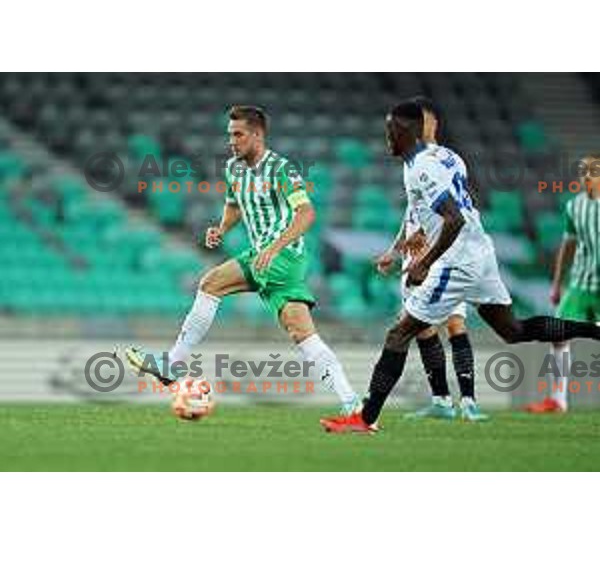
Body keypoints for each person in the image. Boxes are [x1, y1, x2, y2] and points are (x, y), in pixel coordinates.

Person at [320, 100, 600, 433]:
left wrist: (424, 262)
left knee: (399, 333)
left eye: (391, 130)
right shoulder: (448, 156)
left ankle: (365, 419)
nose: (387, 137)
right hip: (480, 251)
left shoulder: (421, 166)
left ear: (408, 131)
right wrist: (402, 246)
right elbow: (439, 211)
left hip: (457, 259)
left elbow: (452, 219)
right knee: (512, 330)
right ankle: (594, 330)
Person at [126, 105, 360, 414]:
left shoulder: (281, 168)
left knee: (211, 283)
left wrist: (274, 248)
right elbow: (235, 205)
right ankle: (352, 403)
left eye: (238, 134)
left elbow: (306, 214)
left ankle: (171, 364)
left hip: (282, 256)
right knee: (301, 331)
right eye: (229, 135)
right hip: (266, 257)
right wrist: (221, 228)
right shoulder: (234, 169)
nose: (232, 141)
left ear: (257, 135)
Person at [376, 96, 486, 421]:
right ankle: (442, 400)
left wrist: (434, 236)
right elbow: (412, 211)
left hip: (444, 254)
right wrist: (396, 250)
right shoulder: (413, 163)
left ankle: (468, 400)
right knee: (423, 329)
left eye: (421, 120)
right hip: (416, 257)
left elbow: (457, 209)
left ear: (433, 123)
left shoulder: (445, 158)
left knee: (454, 321)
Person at [526, 154, 600, 413]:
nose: (588, 177)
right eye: (585, 172)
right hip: (580, 284)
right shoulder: (574, 206)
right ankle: (558, 399)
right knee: (559, 335)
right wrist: (557, 283)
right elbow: (567, 246)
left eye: (594, 172)